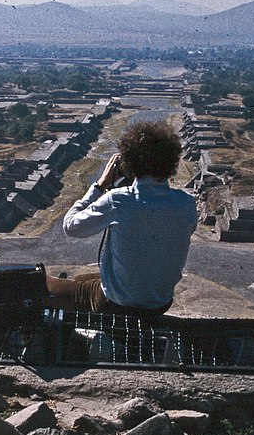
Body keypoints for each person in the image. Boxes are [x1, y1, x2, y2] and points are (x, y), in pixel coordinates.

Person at [46, 121, 198, 317]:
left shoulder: (118, 200)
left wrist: (100, 185)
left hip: (116, 305)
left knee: (50, 286)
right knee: (85, 278)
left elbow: (70, 226)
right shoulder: (186, 203)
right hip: (160, 303)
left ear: (130, 162)